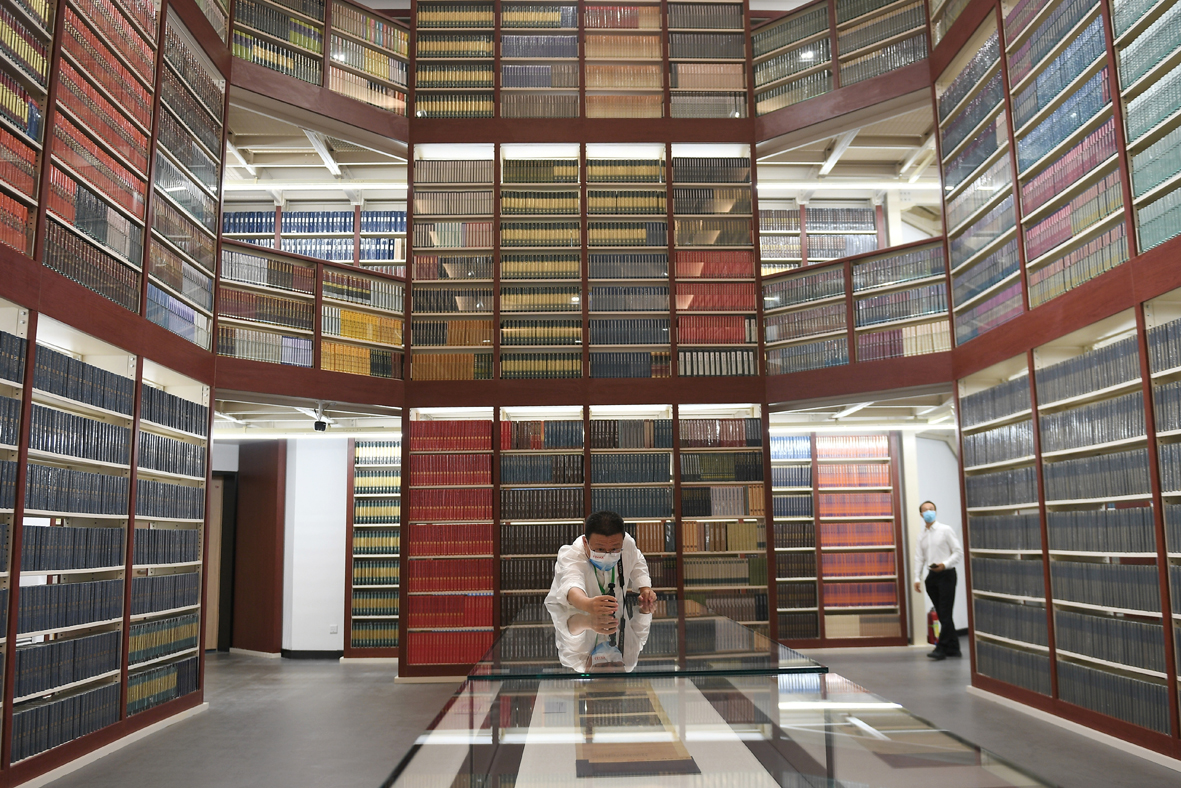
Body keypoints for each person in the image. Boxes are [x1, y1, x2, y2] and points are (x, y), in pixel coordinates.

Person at [545, 510, 657, 639]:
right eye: (600, 549)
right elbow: (571, 585)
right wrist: (588, 605)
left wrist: (644, 589)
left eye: (614, 549)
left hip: (615, 619)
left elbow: (637, 561)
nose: (607, 555)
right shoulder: (572, 554)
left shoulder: (626, 543)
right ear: (585, 542)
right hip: (572, 618)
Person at [912, 500, 963, 660]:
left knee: (945, 613)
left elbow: (958, 552)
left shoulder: (945, 530)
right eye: (925, 510)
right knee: (942, 613)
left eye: (931, 509)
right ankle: (953, 647)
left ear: (935, 511)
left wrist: (945, 564)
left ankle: (941, 648)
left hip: (946, 574)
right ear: (921, 514)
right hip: (932, 576)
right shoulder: (922, 536)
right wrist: (917, 577)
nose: (929, 512)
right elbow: (919, 558)